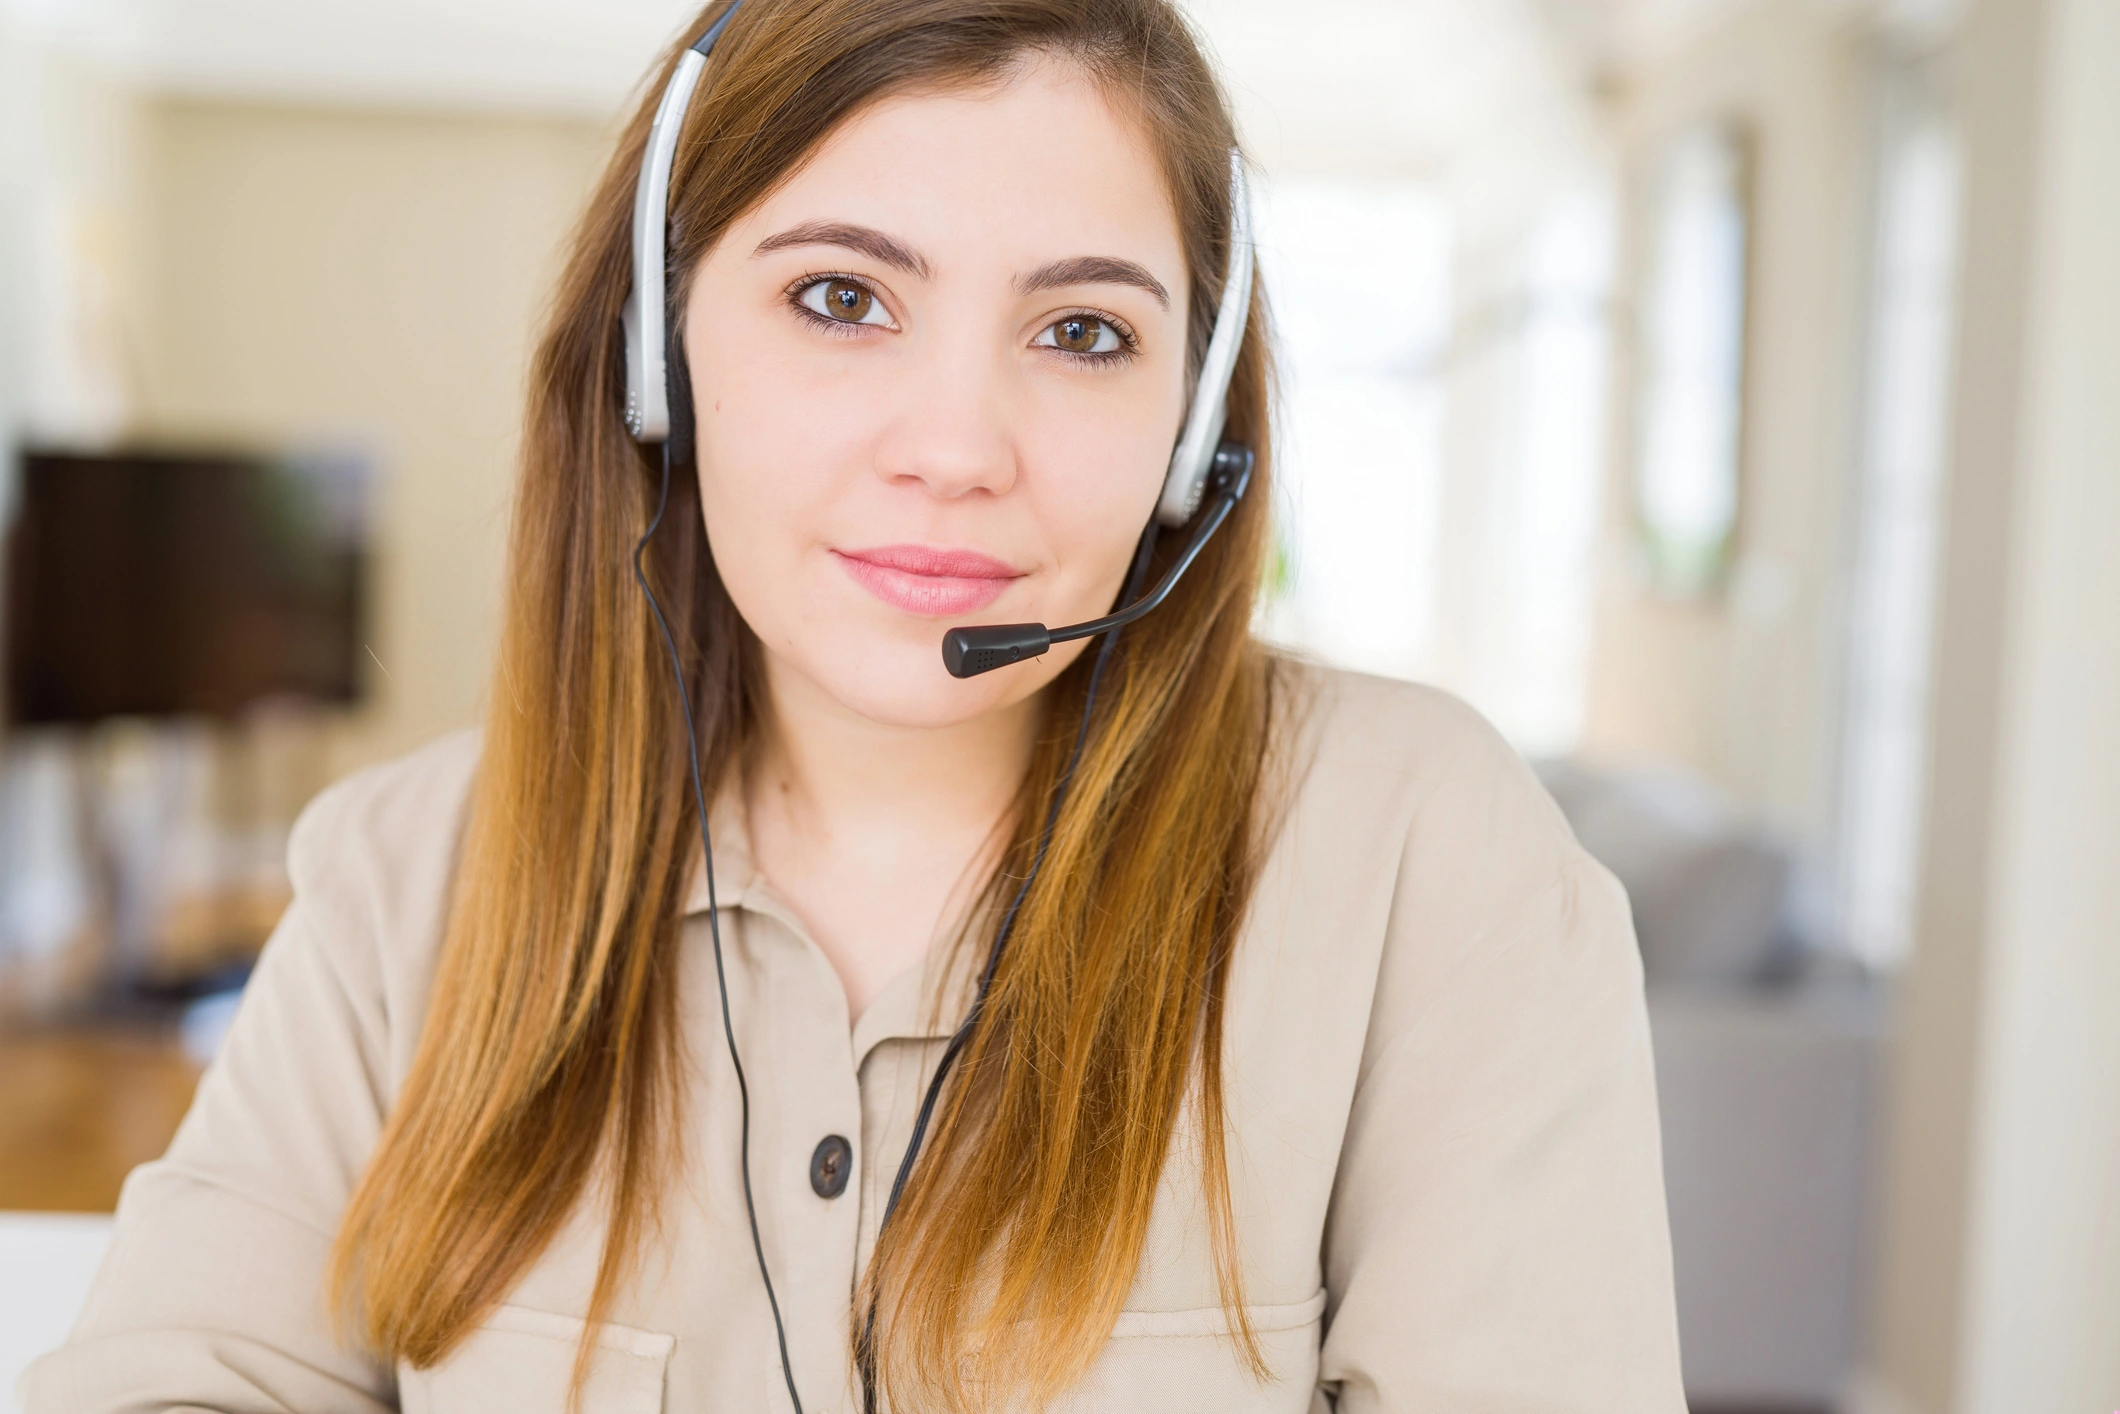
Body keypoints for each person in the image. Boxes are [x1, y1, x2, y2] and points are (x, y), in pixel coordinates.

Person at [21, 1, 1687, 1410]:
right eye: (843, 297)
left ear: (1191, 434)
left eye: (1084, 330)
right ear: (658, 357)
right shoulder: (404, 882)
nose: (956, 445)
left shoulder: (1422, 864)